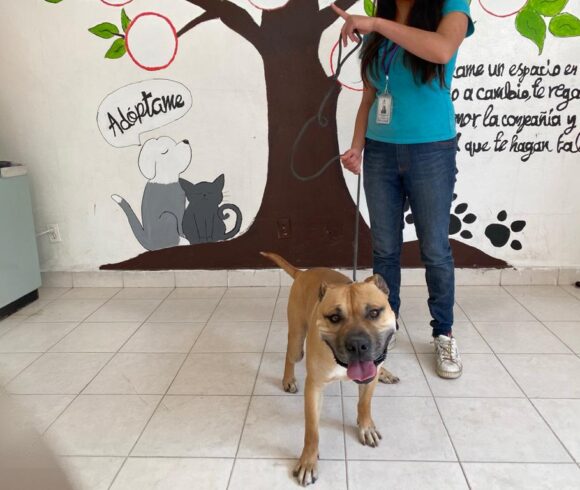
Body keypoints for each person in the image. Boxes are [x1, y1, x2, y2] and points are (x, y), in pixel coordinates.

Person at [333, 0, 474, 379]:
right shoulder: (378, 29)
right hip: (380, 151)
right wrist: (358, 146)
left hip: (431, 149)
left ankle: (443, 333)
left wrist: (376, 24)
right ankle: (384, 326)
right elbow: (370, 96)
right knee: (385, 249)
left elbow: (441, 50)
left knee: (435, 249)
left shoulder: (451, 6)